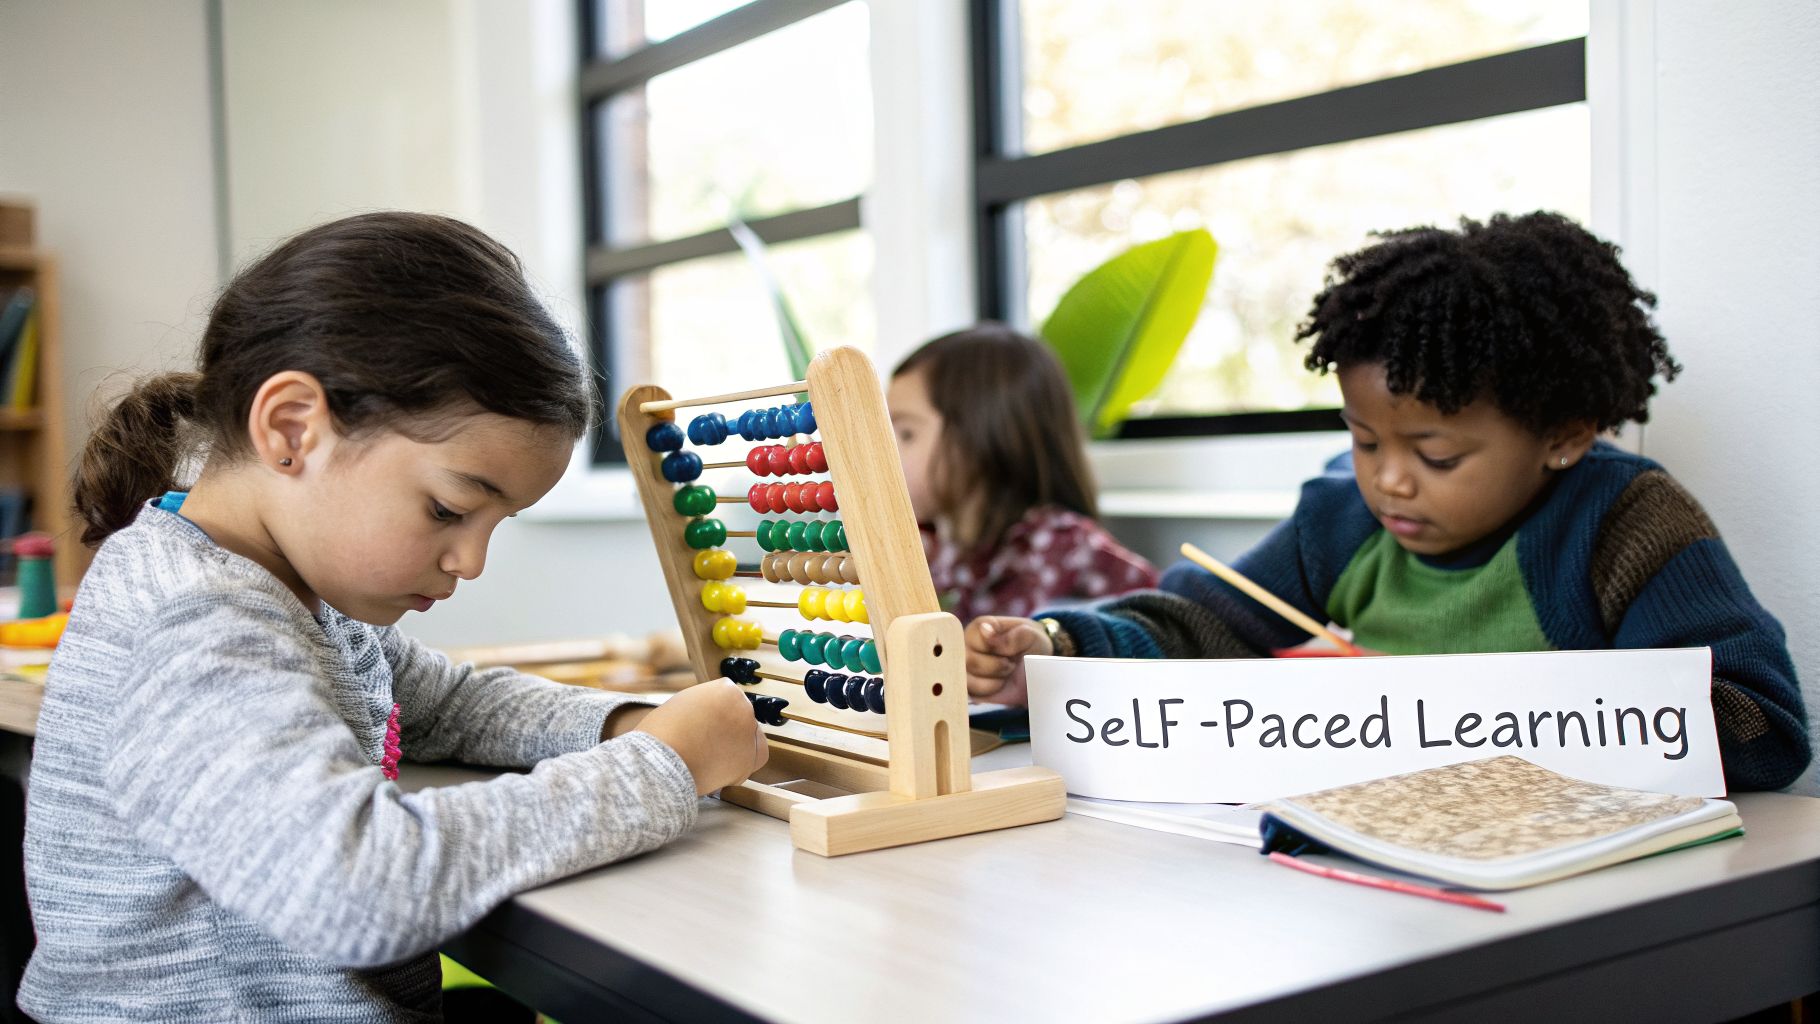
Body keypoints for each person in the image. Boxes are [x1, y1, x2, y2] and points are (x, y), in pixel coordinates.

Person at [19, 212, 768, 1022]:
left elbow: (445, 704)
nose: (471, 561)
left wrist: (624, 724)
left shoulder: (287, 596)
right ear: (292, 429)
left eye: (497, 524)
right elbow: (352, 886)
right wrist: (661, 767)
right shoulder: (196, 624)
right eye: (449, 509)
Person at [963, 212, 1809, 790]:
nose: (1390, 480)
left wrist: (1504, 714)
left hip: (1573, 876)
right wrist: (1056, 647)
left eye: (1437, 455)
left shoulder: (1626, 523)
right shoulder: (1342, 515)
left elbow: (1763, 726)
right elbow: (1198, 626)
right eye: (1367, 440)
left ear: (1564, 434)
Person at [888, 322, 1157, 622]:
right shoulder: (933, 550)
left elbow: (1163, 624)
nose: (885, 451)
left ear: (983, 436)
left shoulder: (1065, 549)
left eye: (907, 434)